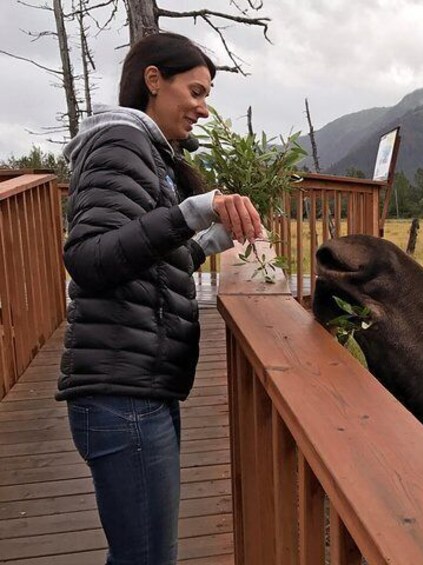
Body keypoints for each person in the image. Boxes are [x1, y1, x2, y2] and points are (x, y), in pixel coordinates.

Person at [57, 32, 260, 564]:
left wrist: (207, 240)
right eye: (195, 91)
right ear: (153, 80)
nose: (203, 108)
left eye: (207, 95)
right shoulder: (121, 142)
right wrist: (190, 212)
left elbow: (141, 266)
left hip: (138, 385)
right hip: (122, 392)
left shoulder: (149, 154)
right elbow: (90, 258)